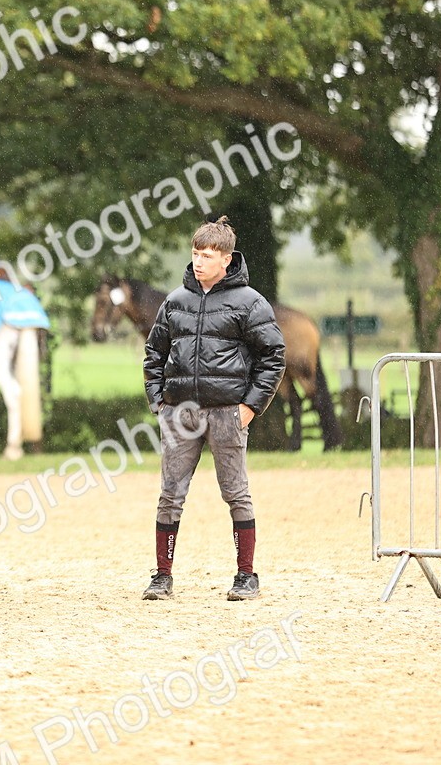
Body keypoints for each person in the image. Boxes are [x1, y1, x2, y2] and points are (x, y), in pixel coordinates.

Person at [142, 216, 286, 601]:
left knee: (236, 493)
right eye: (195, 253)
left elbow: (273, 356)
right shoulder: (175, 301)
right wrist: (158, 402)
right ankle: (162, 576)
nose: (199, 261)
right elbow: (154, 352)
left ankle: (246, 576)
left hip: (228, 413)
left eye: (208, 255)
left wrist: (250, 407)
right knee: (170, 495)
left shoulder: (250, 302)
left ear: (226, 259)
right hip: (180, 413)